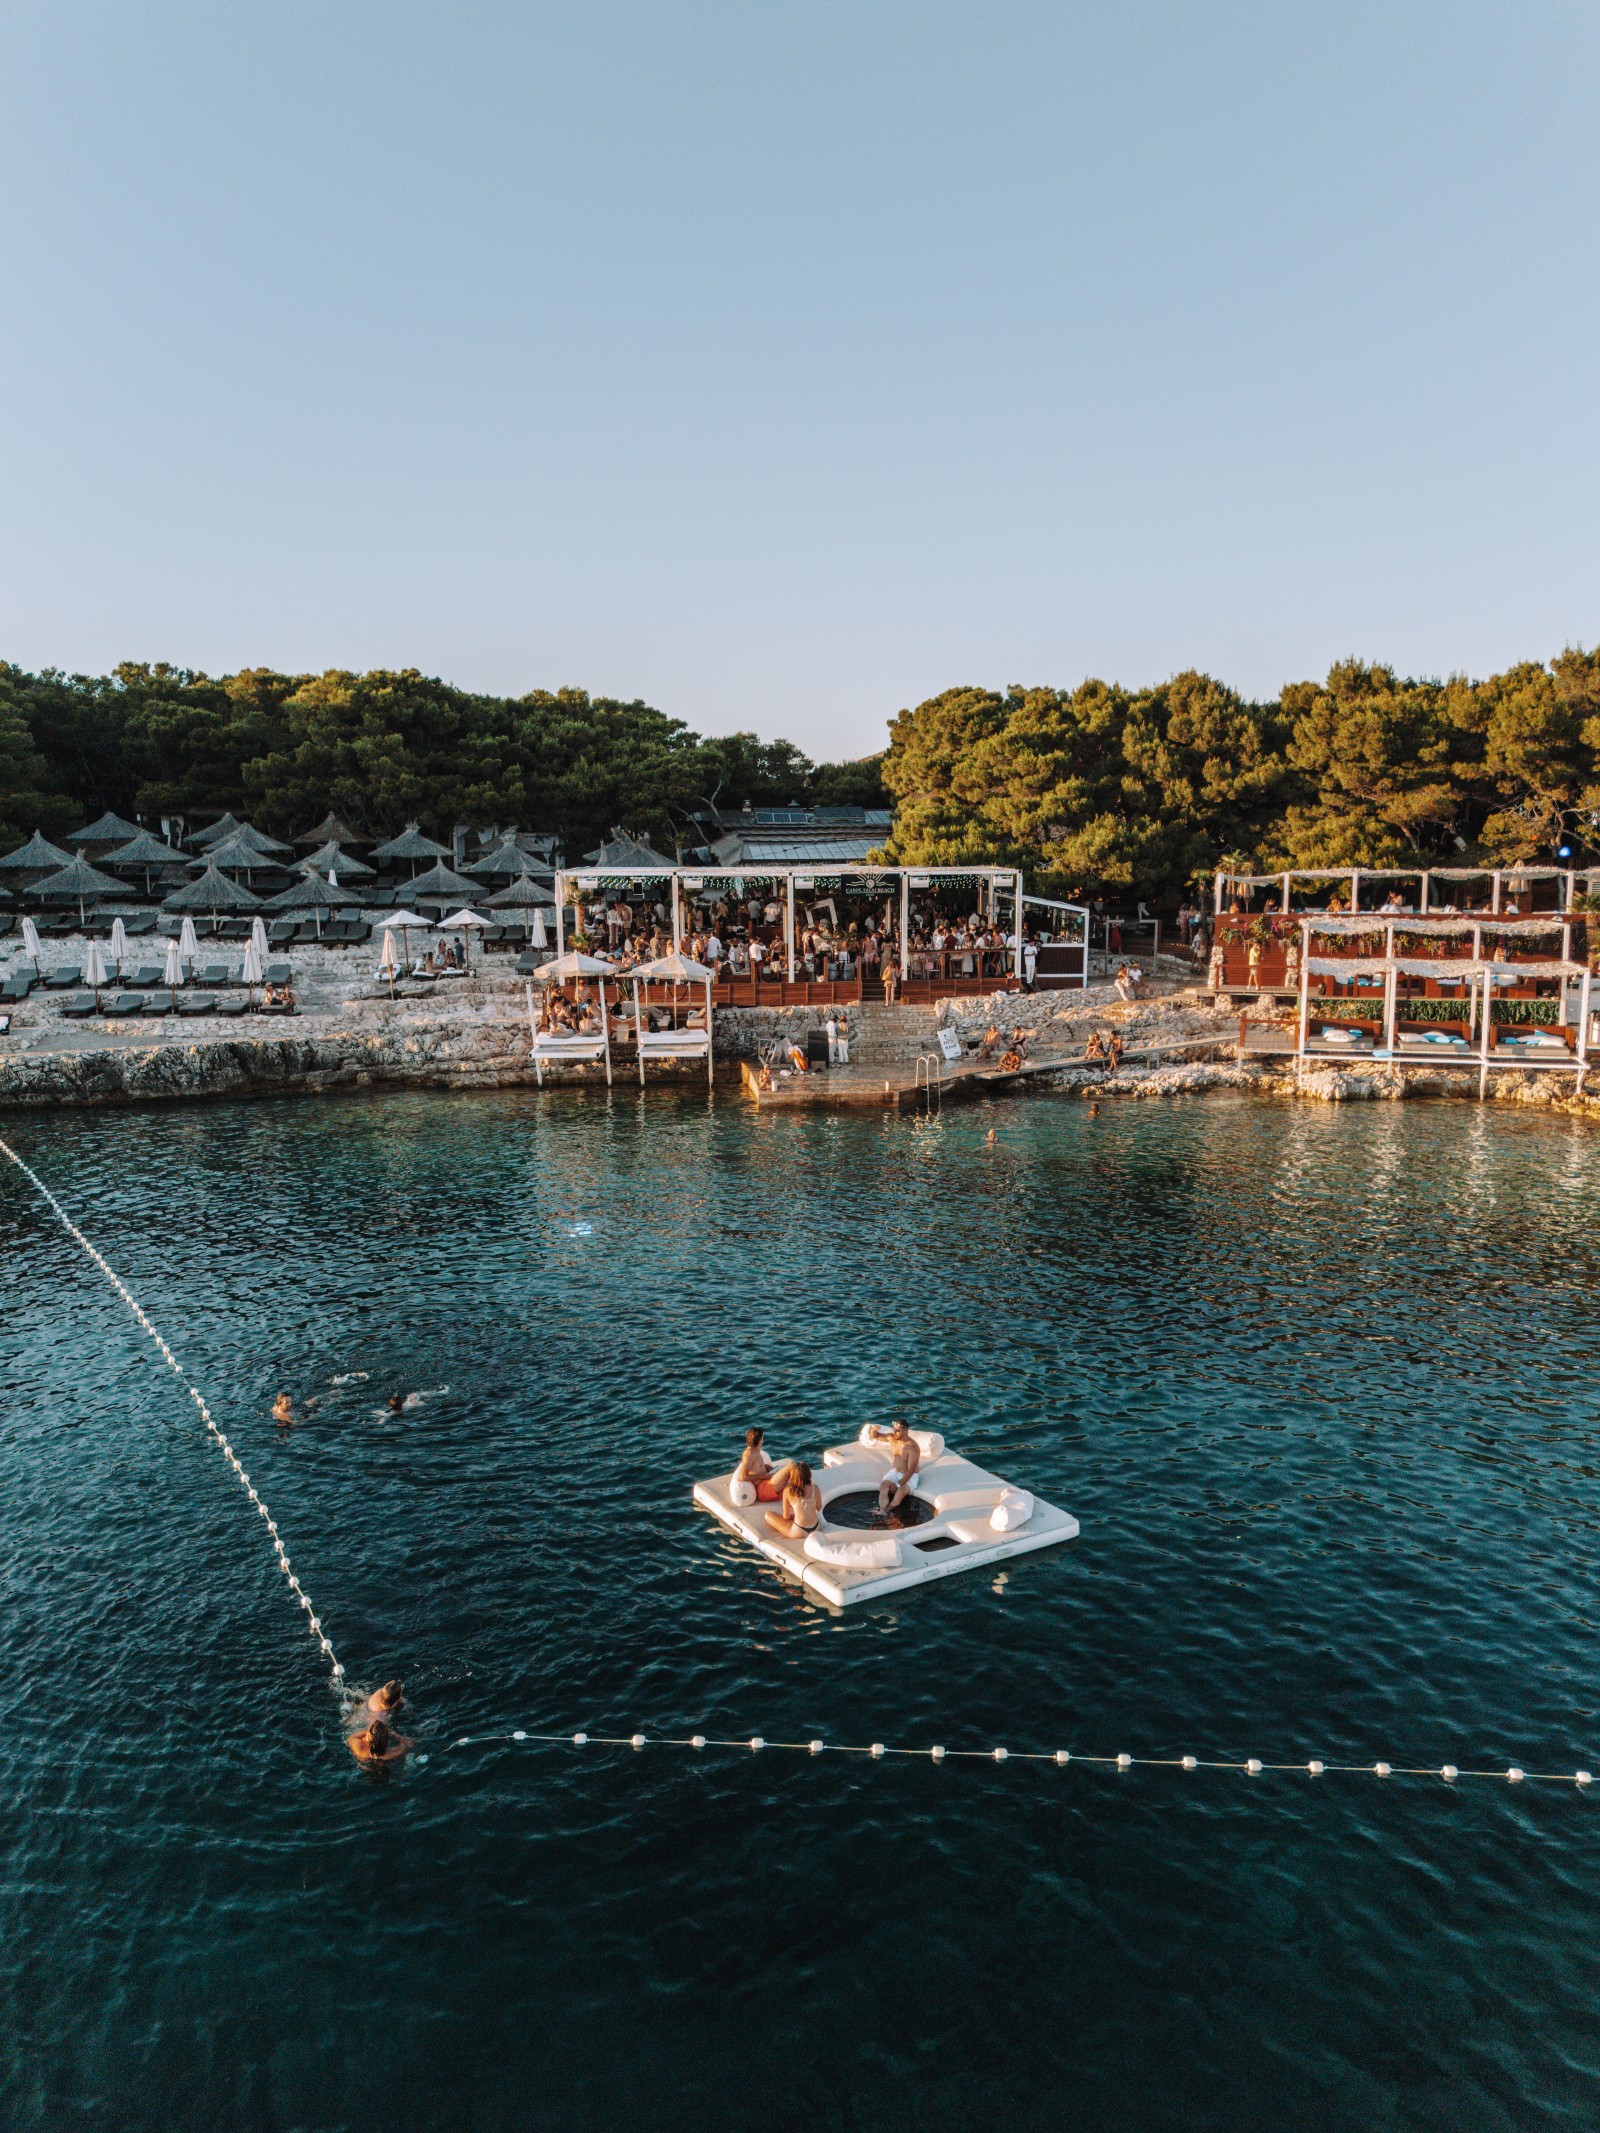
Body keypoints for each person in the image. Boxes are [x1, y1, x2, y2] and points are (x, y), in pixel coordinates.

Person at [867, 1418, 921, 1513]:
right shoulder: (892, 1438)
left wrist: (898, 1485)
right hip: (895, 1472)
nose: (894, 1433)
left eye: (897, 1431)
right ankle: (882, 1511)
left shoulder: (913, 1447)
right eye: (894, 1430)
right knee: (883, 1485)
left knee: (900, 1492)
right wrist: (873, 1430)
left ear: (905, 1431)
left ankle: (888, 1510)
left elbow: (911, 1470)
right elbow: (875, 1436)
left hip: (910, 1475)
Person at [736, 1427, 795, 1502]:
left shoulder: (755, 1450)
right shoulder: (749, 1454)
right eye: (762, 1438)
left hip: (766, 1483)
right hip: (762, 1489)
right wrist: (763, 1476)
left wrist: (764, 1467)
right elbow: (743, 1477)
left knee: (794, 1473)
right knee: (791, 1466)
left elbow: (754, 1467)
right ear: (760, 1441)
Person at [764, 1461, 821, 1539]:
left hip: (798, 1531)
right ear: (809, 1474)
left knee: (768, 1515)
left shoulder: (788, 1491)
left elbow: (786, 1516)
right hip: (816, 1527)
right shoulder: (815, 1488)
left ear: (793, 1476)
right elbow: (819, 1508)